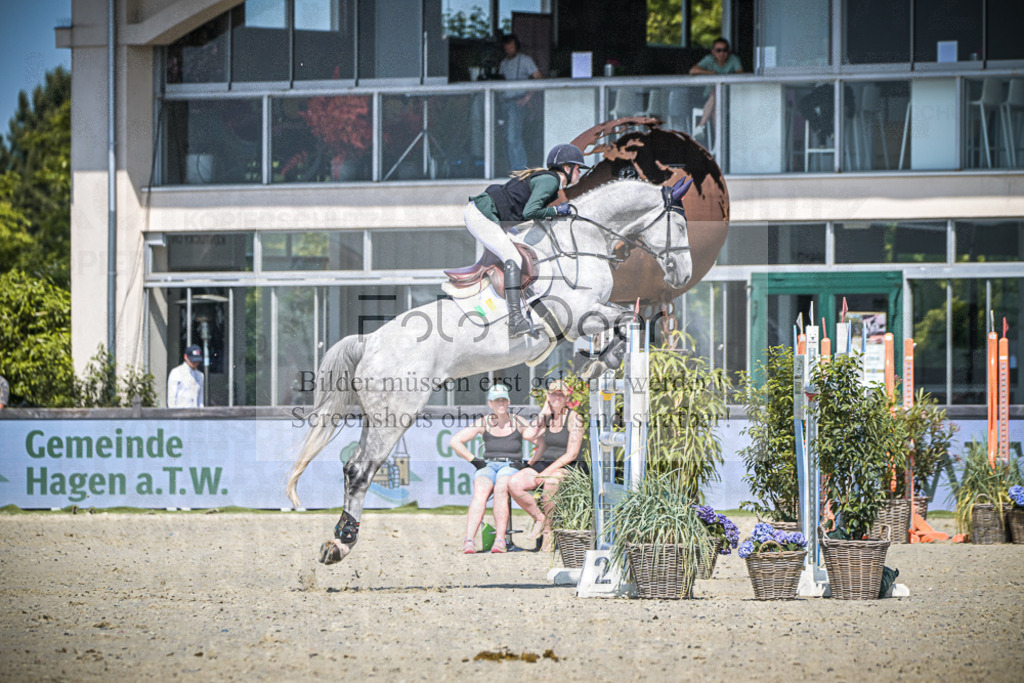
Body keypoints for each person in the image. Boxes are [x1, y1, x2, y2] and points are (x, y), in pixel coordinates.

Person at [464, 143, 590, 340]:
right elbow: (530, 212)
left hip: (493, 217)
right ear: (567, 168)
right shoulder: (551, 181)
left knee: (526, 253)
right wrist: (556, 211)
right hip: (481, 215)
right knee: (513, 257)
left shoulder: (549, 181)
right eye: (578, 168)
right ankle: (515, 320)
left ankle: (533, 313)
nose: (580, 173)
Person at [450, 384, 530, 554]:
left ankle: (500, 540)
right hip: (489, 465)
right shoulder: (484, 422)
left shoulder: (518, 421)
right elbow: (455, 441)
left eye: (503, 400)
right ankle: (469, 540)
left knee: (501, 486)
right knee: (480, 491)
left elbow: (540, 441)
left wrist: (528, 464)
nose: (500, 403)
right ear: (490, 403)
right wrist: (474, 460)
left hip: (510, 465)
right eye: (496, 400)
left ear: (508, 402)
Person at [509, 379, 586, 549]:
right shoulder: (547, 418)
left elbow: (571, 454)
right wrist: (544, 411)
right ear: (548, 396)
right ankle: (540, 518)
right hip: (545, 464)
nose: (556, 397)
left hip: (568, 466)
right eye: (553, 393)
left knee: (551, 481)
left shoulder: (575, 419)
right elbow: (528, 435)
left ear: (567, 397)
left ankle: (548, 532)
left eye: (561, 394)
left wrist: (547, 472)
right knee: (514, 482)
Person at [498, 34, 542, 172]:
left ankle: (520, 170)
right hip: (505, 103)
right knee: (508, 138)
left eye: (511, 46)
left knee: (513, 137)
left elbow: (539, 78)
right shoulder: (503, 63)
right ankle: (514, 168)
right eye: (507, 47)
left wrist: (527, 98)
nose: (509, 49)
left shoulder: (525, 60)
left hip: (518, 103)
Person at [688, 37, 743, 139]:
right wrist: (710, 73)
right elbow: (692, 71)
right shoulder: (709, 59)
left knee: (717, 94)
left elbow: (740, 74)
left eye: (724, 50)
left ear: (729, 51)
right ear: (713, 52)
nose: (722, 53)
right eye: (718, 50)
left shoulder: (734, 59)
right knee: (716, 99)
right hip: (709, 97)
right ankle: (720, 141)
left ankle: (701, 126)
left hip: (731, 96)